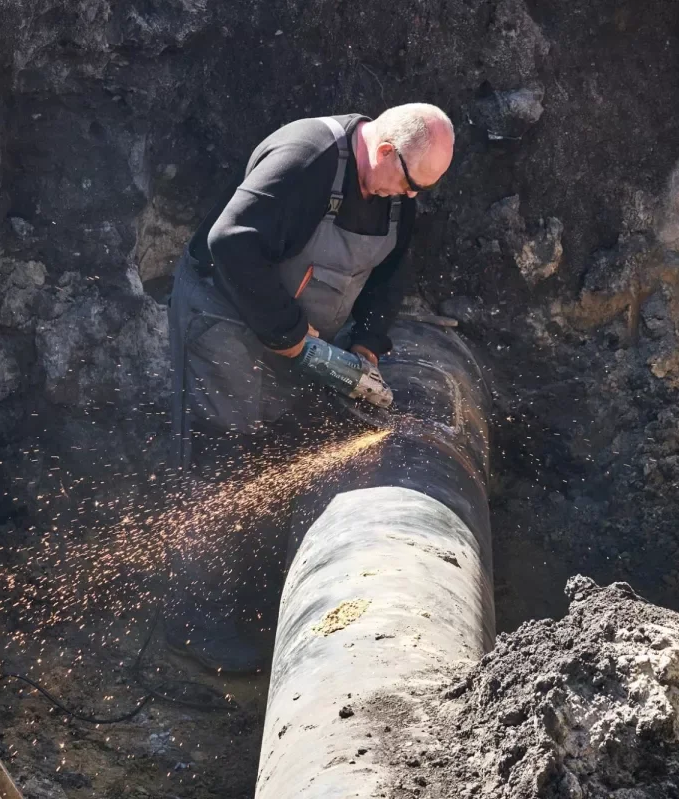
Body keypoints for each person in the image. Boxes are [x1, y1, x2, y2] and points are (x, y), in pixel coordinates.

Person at [165, 103, 455, 672]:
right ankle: (198, 624)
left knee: (285, 446)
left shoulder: (397, 196)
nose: (411, 198)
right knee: (224, 461)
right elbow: (231, 241)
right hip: (226, 321)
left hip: (304, 328)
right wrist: (295, 341)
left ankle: (270, 592)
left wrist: (365, 346)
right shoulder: (307, 158)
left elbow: (393, 275)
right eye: (409, 183)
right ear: (387, 150)